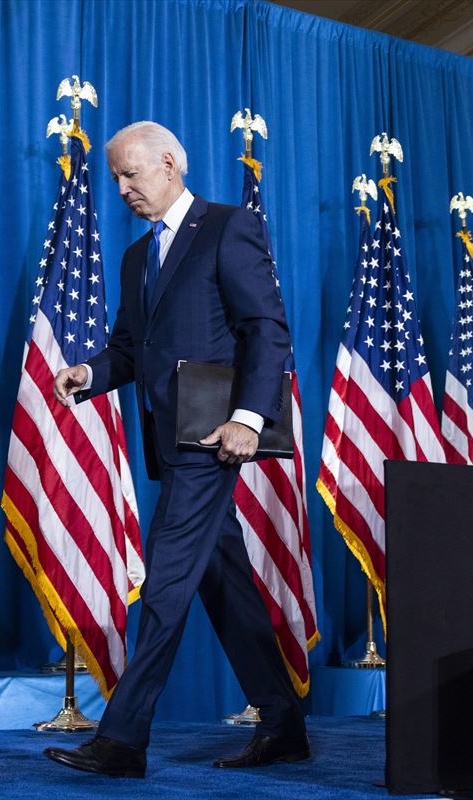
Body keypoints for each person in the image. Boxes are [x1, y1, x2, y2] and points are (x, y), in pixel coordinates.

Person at [45, 121, 308, 778]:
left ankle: (123, 739)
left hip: (217, 436)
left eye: (130, 173)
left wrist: (251, 417)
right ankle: (283, 724)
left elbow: (266, 330)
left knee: (163, 583)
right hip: (175, 441)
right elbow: (131, 349)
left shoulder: (227, 227)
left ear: (169, 164)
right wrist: (89, 374)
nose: (122, 188)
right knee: (225, 588)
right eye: (115, 178)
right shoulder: (137, 258)